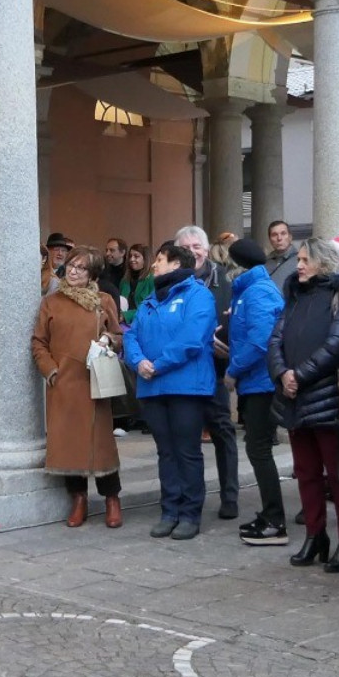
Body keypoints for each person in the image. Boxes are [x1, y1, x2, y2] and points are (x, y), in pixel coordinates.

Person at [269, 238, 339, 569]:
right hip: (293, 397)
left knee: (338, 476)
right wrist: (282, 374)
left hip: (326, 397)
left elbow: (337, 343)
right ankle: (314, 535)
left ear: (323, 262)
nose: (299, 265)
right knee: (305, 472)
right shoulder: (295, 295)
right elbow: (276, 338)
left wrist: (299, 376)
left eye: (306, 259)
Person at [124, 242, 216, 540]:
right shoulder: (151, 299)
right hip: (153, 387)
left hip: (186, 387)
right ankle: (169, 510)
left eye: (160, 260)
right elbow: (131, 335)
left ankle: (190, 513)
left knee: (186, 451)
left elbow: (192, 338)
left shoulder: (198, 295)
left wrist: (158, 364)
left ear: (176, 264)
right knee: (165, 452)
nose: (154, 265)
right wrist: (138, 362)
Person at [33, 246, 125, 528]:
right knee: (68, 445)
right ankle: (79, 499)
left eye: (81, 268)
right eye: (71, 266)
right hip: (63, 384)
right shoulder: (51, 302)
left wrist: (109, 340)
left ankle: (112, 498)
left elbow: (118, 334)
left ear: (93, 273)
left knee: (101, 444)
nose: (73, 271)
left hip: (94, 381)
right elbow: (38, 342)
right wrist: (51, 371)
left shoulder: (103, 299)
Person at [226, 238, 287, 544]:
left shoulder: (257, 292)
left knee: (259, 450)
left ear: (237, 266)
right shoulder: (250, 290)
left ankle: (275, 520)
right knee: (257, 448)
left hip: (261, 383)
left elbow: (260, 342)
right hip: (256, 382)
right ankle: (270, 515)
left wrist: (233, 370)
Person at [177, 225, 240, 519]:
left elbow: (237, 320)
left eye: (197, 246)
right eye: (186, 247)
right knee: (186, 439)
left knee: (223, 434)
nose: (192, 252)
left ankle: (230, 496)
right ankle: (191, 497)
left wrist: (229, 344)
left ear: (205, 248)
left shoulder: (225, 281)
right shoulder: (169, 282)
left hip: (215, 370)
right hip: (183, 372)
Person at [265, 220, 299, 292]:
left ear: (290, 237)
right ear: (270, 239)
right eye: (274, 235)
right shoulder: (265, 262)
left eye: (283, 233)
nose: (279, 238)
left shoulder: (300, 260)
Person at [125, 244, 153, 311]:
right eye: (130, 256)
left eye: (136, 256)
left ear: (145, 259)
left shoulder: (151, 280)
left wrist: (127, 315)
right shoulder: (124, 280)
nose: (132, 259)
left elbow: (150, 307)